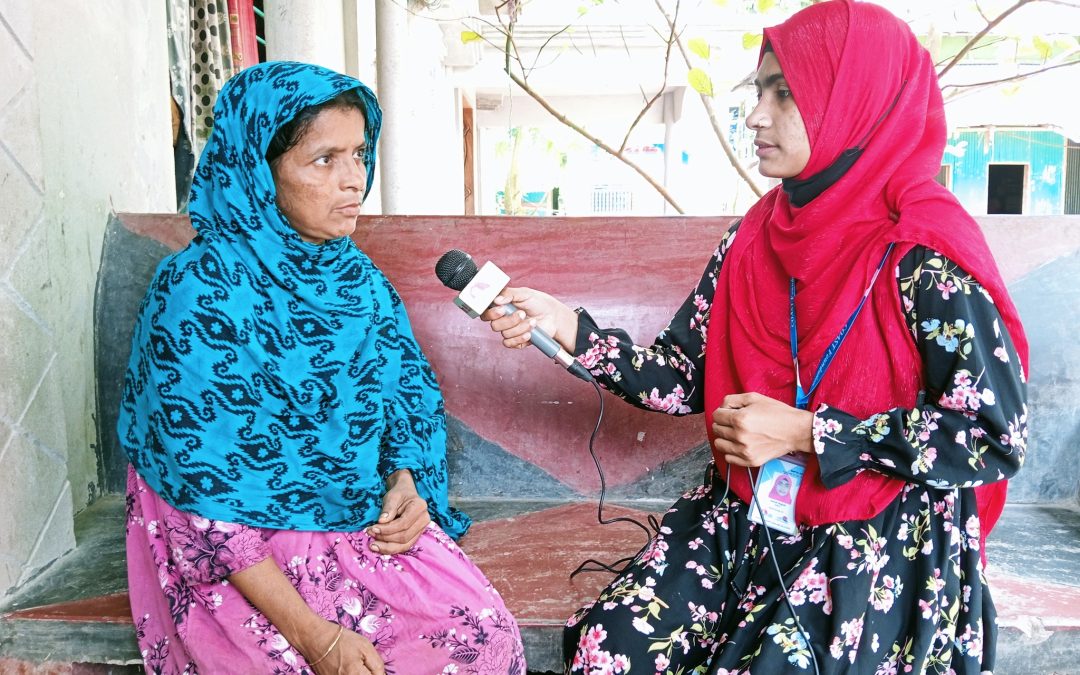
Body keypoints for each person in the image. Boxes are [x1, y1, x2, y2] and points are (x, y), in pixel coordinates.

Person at [480, 1, 1028, 672]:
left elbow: (989, 436)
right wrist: (567, 326)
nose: (756, 115)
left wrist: (806, 433)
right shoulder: (753, 236)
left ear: (853, 100)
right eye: (758, 90)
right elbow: (685, 373)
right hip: (743, 512)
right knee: (611, 648)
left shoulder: (924, 254)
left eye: (785, 94)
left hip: (872, 534)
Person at [119, 62, 526, 675]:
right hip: (226, 543)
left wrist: (406, 483)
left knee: (481, 640)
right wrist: (316, 637)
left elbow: (406, 401)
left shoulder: (357, 283)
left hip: (347, 514)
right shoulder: (197, 293)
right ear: (261, 170)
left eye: (360, 155)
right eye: (324, 160)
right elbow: (198, 497)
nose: (353, 180)